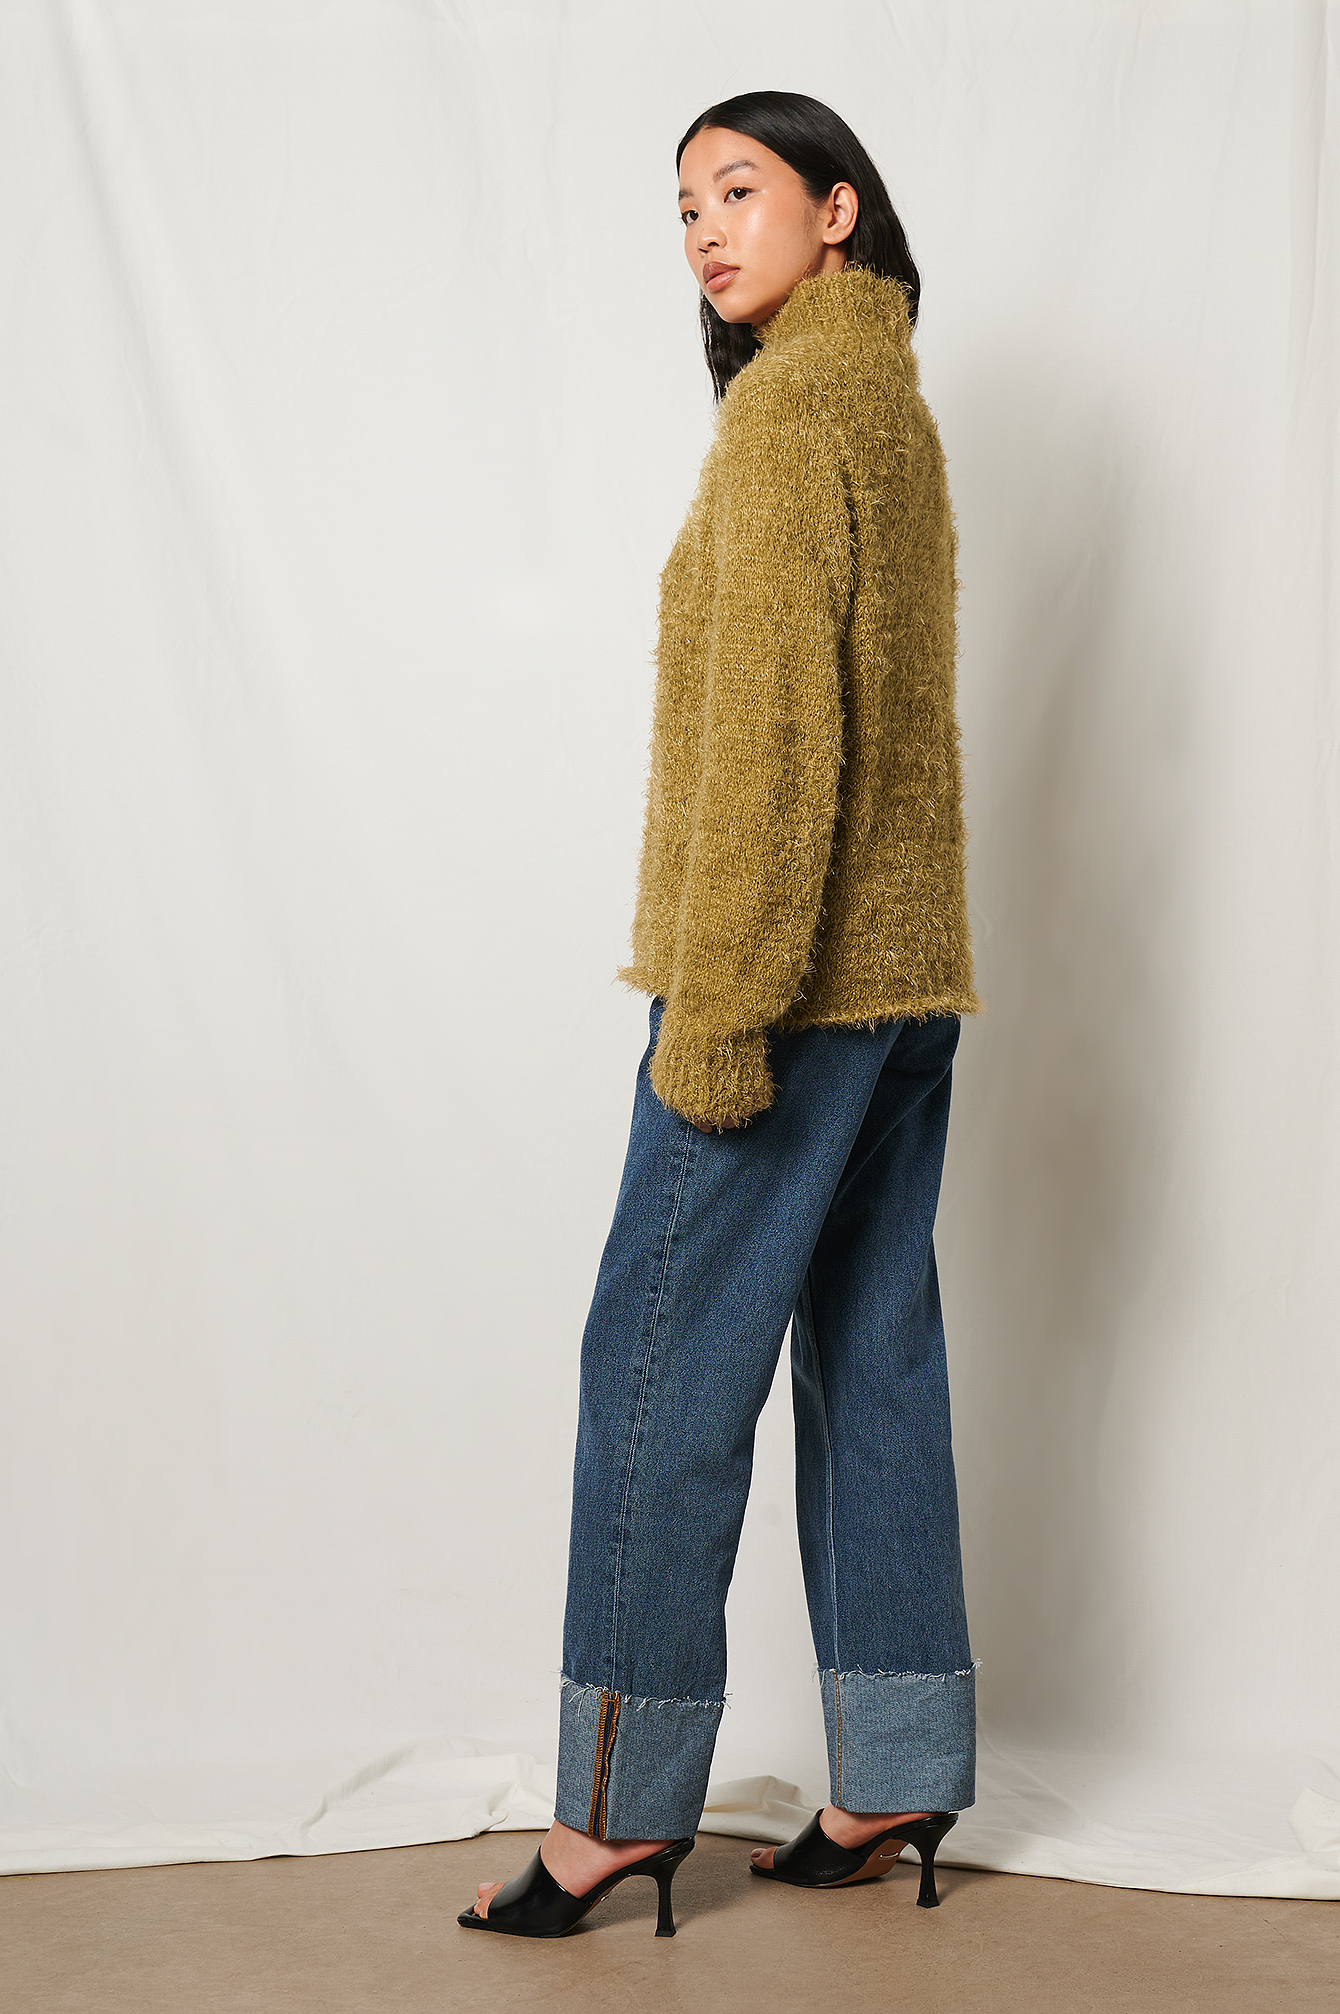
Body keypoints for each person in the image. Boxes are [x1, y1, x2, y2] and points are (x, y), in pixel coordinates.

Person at [459, 88, 981, 1941]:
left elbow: (774, 750)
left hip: (781, 982)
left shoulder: (787, 419)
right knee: (873, 1356)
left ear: (838, 209)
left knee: (655, 1368)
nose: (702, 229)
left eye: (738, 190)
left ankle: (612, 1810)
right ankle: (898, 1761)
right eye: (683, 204)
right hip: (901, 981)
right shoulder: (888, 403)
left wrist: (721, 1013)